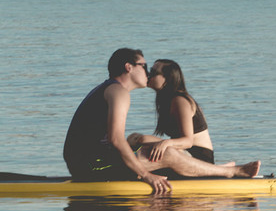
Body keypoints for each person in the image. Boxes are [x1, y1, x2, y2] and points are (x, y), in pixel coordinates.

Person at [63, 48, 260, 195]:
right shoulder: (119, 92)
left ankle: (219, 170)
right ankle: (232, 171)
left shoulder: (110, 89)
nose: (147, 73)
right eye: (144, 67)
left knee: (147, 145)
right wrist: (147, 176)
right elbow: (115, 140)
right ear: (128, 67)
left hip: (85, 163)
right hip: (90, 167)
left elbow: (113, 140)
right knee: (168, 155)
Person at [129, 59, 217, 165]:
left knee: (142, 139)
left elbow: (188, 141)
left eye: (153, 72)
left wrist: (165, 143)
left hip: (199, 157)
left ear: (167, 79)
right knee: (133, 138)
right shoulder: (167, 100)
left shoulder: (180, 100)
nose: (148, 75)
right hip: (184, 152)